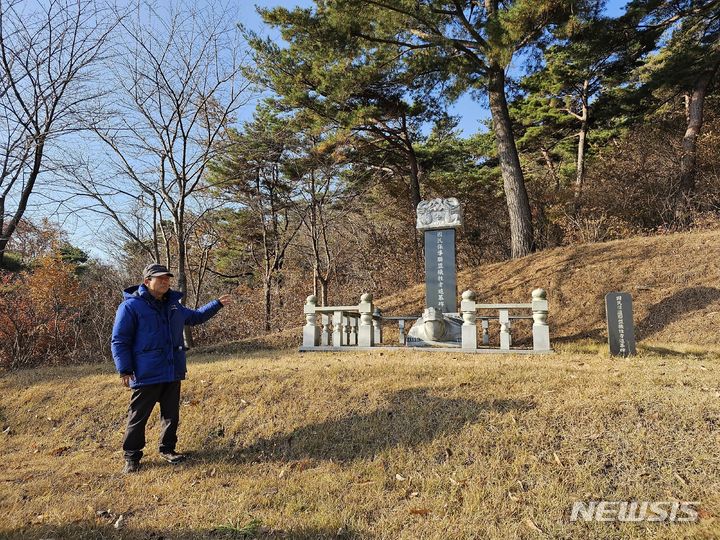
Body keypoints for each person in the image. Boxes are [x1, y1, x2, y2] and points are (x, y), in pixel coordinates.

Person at [111, 263, 233, 474]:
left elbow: (196, 317)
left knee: (170, 415)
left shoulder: (174, 306)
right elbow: (120, 340)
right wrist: (125, 369)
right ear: (147, 281)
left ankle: (168, 449)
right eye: (160, 278)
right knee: (138, 417)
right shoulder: (130, 307)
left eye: (167, 278)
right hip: (145, 373)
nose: (166, 281)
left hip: (172, 369)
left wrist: (216, 304)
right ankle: (132, 457)